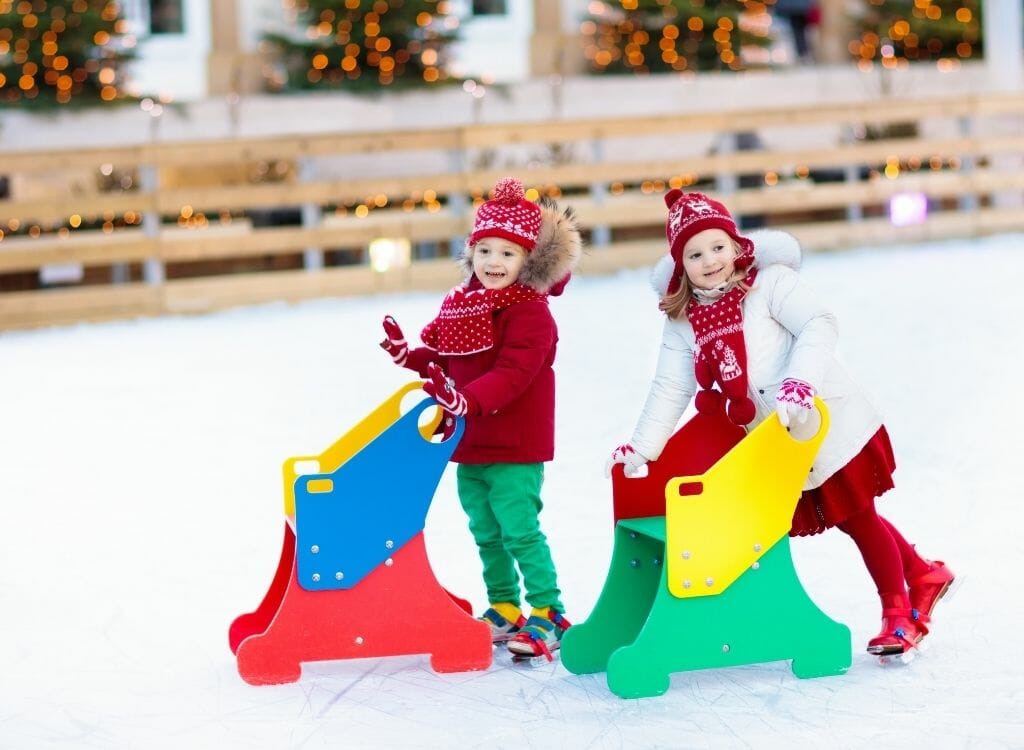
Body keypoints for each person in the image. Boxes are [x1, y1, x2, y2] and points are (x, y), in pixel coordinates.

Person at [607, 191, 954, 657]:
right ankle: (922, 572)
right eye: (694, 253)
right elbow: (670, 388)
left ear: (736, 246)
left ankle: (900, 614)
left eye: (716, 246)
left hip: (823, 422)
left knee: (859, 516)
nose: (709, 260)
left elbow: (819, 323)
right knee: (851, 519)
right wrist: (643, 449)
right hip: (775, 441)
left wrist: (800, 383)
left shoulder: (769, 284)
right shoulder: (684, 322)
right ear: (680, 264)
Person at [379, 177, 582, 660]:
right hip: (471, 443)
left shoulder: (531, 314)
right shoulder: (467, 306)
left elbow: (513, 373)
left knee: (519, 528)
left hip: (514, 444)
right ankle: (504, 605)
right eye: (484, 250)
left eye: (507, 254)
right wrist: (411, 356)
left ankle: (548, 611)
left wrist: (466, 400)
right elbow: (450, 360)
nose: (493, 262)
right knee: (485, 530)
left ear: (528, 261)